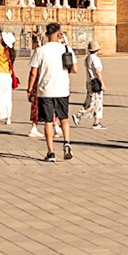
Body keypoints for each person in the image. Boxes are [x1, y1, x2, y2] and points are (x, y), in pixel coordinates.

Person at [30, 22, 75, 162]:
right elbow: (75, 69)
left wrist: (30, 89)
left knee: (48, 121)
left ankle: (51, 152)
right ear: (59, 34)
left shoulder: (40, 50)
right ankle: (67, 142)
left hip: (45, 90)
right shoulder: (66, 49)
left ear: (46, 34)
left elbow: (33, 72)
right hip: (62, 89)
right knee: (64, 118)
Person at [73, 40, 106, 129]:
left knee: (90, 101)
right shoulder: (95, 59)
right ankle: (80, 115)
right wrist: (102, 83)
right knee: (96, 103)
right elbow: (97, 71)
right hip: (95, 82)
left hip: (89, 82)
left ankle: (96, 121)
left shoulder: (88, 58)